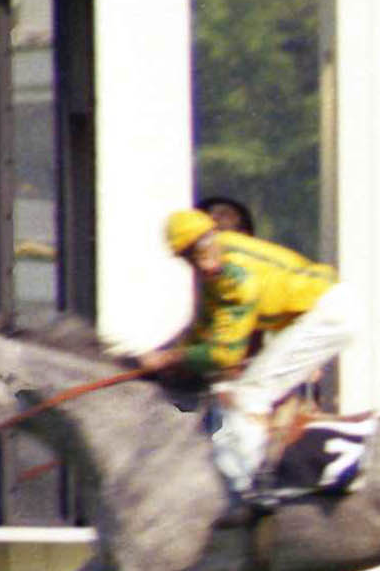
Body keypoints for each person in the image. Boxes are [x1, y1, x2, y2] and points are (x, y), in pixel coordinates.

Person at [135, 209, 360, 497]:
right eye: (191, 256)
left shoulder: (235, 274)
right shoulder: (219, 262)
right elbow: (204, 326)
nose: (202, 262)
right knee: (247, 387)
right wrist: (167, 354)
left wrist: (166, 359)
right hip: (315, 313)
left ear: (212, 235)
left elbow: (225, 355)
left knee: (251, 392)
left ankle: (252, 488)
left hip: (328, 314)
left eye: (202, 249)